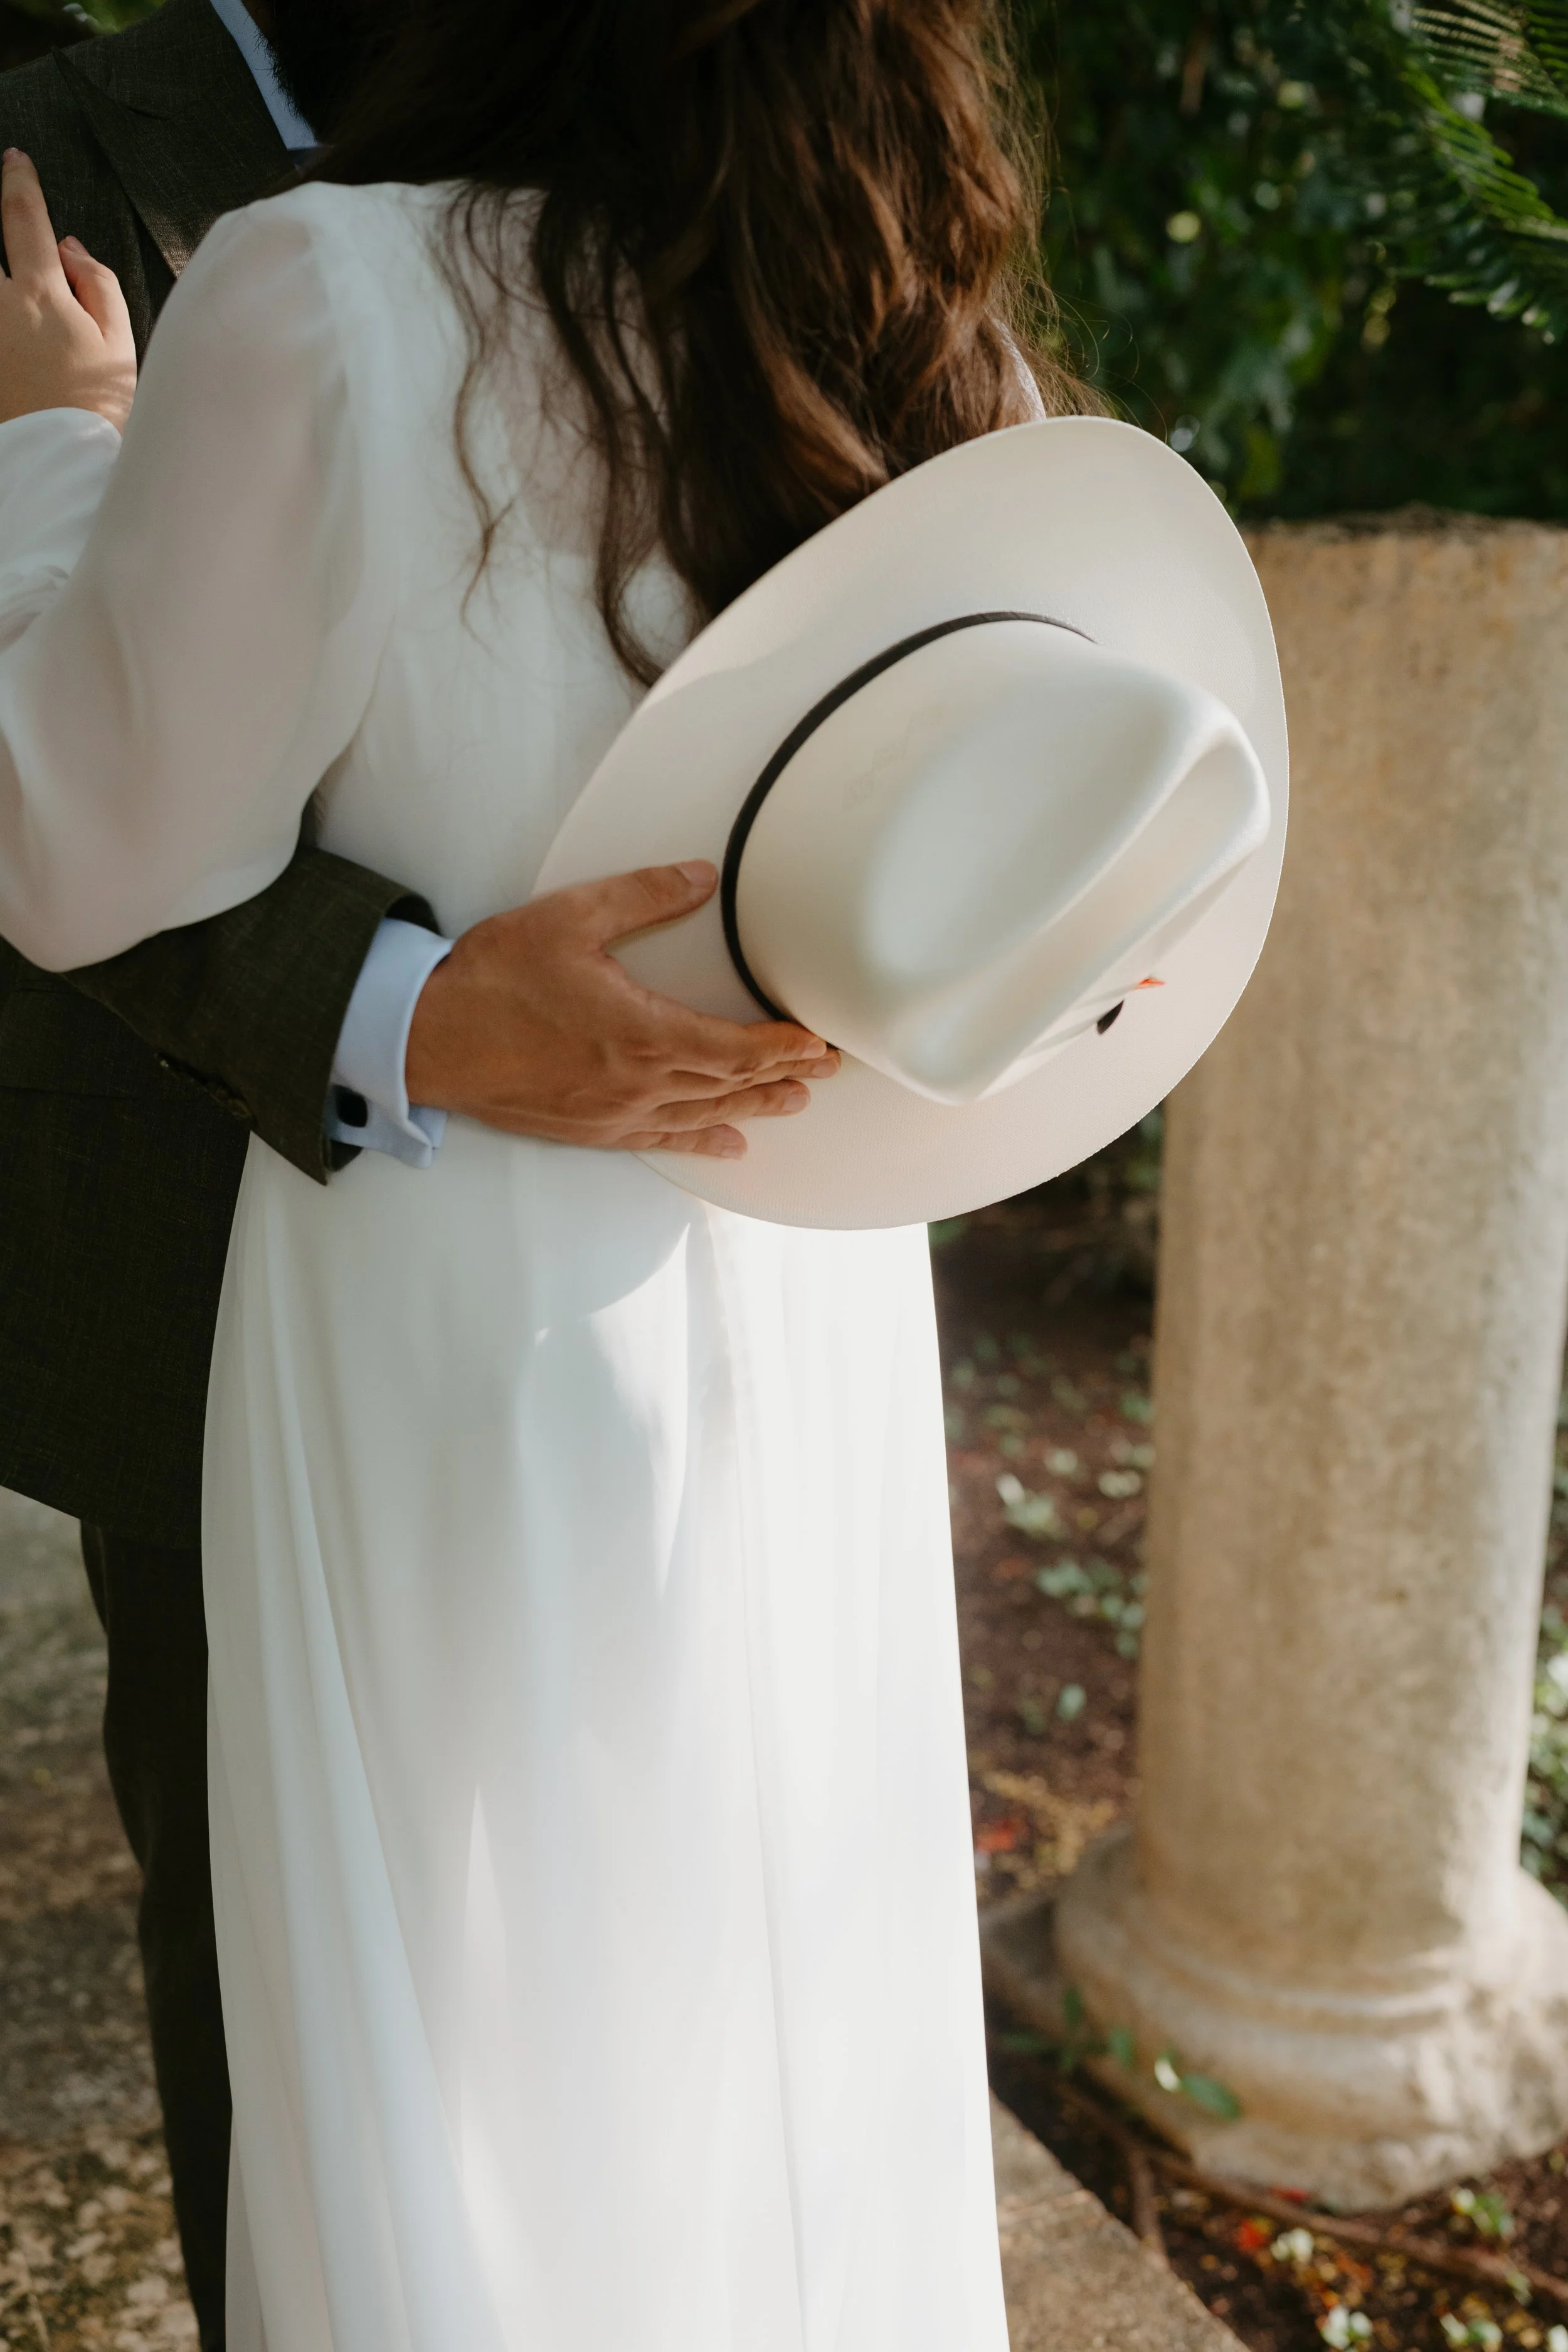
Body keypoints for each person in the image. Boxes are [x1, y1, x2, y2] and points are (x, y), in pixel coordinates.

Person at [0, 0, 1091, 2343]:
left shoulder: (320, 289)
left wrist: (52, 456)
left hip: (427, 1294)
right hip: (785, 1266)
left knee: (433, 2069)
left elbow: (75, 836)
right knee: (745, 2023)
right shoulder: (912, 323)